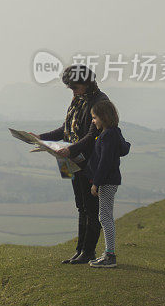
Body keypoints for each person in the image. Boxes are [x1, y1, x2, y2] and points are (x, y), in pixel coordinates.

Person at [34, 65, 109, 264]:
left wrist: (72, 149)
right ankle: (80, 250)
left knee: (91, 208)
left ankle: (89, 251)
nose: (73, 91)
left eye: (75, 87)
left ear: (86, 82)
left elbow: (92, 135)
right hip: (70, 160)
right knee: (81, 206)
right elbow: (66, 129)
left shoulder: (100, 102)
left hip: (89, 162)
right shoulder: (79, 100)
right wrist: (40, 138)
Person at [87, 100, 130, 268]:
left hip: (107, 181)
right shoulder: (114, 132)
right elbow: (124, 148)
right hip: (111, 180)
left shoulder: (107, 135)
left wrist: (96, 183)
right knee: (105, 216)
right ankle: (108, 253)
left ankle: (110, 255)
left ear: (103, 117)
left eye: (94, 117)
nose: (93, 121)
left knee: (105, 217)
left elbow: (104, 162)